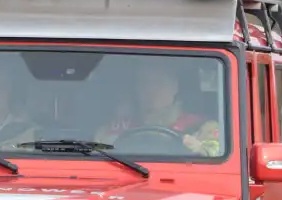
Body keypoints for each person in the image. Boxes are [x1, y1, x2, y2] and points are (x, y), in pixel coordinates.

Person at [93, 58, 222, 156]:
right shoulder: (118, 127)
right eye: (144, 82)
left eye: (159, 83)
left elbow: (218, 157)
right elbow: (96, 155)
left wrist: (199, 149)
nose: (150, 90)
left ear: (175, 87)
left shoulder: (203, 127)